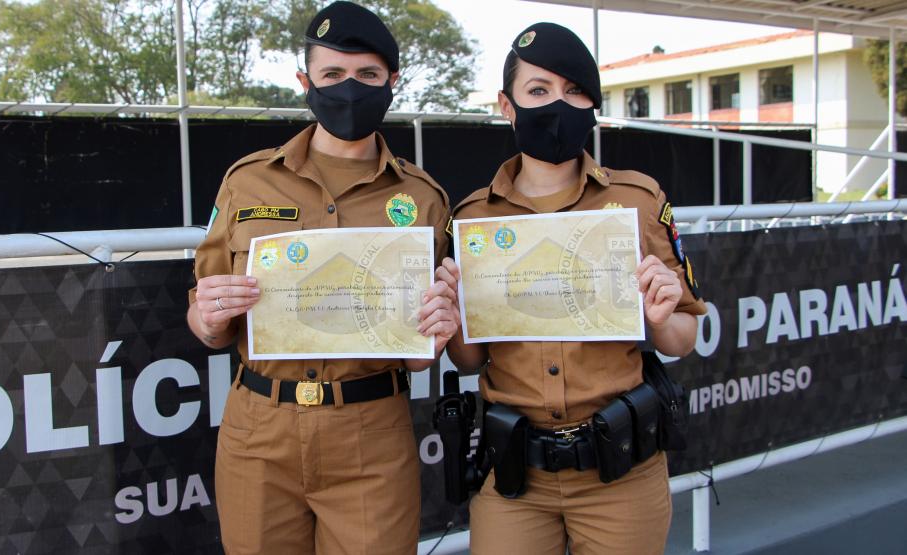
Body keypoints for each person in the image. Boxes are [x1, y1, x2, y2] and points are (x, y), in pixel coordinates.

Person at [187, 2, 458, 553]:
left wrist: (436, 331)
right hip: (259, 432)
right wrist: (209, 316)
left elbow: (421, 347)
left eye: (368, 75)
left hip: (371, 432)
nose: (349, 88)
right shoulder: (247, 182)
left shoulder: (424, 199)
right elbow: (204, 317)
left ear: (392, 83)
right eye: (333, 74)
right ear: (304, 81)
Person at [440, 22, 706, 555]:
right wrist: (451, 320)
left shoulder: (637, 199)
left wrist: (660, 315)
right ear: (506, 105)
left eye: (574, 91)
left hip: (619, 472)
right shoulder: (472, 217)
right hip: (515, 477)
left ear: (592, 106)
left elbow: (683, 337)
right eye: (538, 90)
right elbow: (468, 359)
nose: (557, 104)